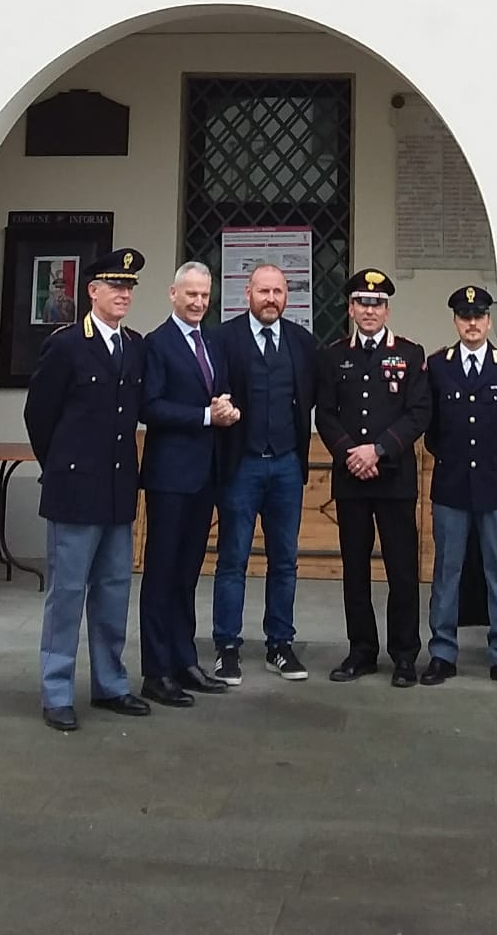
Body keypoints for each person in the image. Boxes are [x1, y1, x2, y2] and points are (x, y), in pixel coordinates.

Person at [23, 245, 151, 732]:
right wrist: (60, 467)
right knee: (67, 594)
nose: (123, 294)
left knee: (114, 592)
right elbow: (40, 415)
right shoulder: (67, 345)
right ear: (92, 291)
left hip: (118, 490)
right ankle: (56, 689)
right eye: (115, 286)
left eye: (129, 288)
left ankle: (111, 683)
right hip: (75, 491)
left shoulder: (134, 346)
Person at [315, 267, 431, 688]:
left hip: (394, 478)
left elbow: (419, 413)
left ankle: (404, 655)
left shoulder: (410, 353)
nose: (370, 310)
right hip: (352, 478)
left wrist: (379, 450)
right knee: (355, 569)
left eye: (377, 303)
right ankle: (361, 650)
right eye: (362, 303)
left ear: (387, 309)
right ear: (350, 308)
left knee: (401, 570)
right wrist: (351, 452)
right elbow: (325, 412)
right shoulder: (332, 355)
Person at [421, 284, 497, 694]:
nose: (472, 323)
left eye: (479, 316)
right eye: (465, 316)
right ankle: (442, 652)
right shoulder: (439, 366)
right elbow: (431, 429)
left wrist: (496, 456)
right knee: (447, 571)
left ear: (489, 320)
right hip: (451, 484)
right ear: (455, 320)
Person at [138, 260, 241, 707]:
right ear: (173, 294)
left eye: (205, 295)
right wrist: (205, 417)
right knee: (161, 575)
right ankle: (155, 671)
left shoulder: (211, 342)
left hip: (204, 476)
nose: (199, 302)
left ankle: (184, 660)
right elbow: (151, 407)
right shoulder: (156, 344)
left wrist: (227, 410)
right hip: (169, 477)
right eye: (191, 294)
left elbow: (217, 395)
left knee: (186, 575)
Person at [210, 263, 318, 685]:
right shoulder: (223, 339)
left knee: (285, 560)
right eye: (263, 291)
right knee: (233, 558)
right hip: (242, 463)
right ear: (247, 294)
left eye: (278, 291)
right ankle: (227, 646)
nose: (271, 298)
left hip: (288, 464)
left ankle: (279, 643)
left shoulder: (302, 342)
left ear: (286, 295)